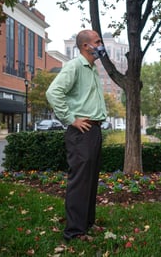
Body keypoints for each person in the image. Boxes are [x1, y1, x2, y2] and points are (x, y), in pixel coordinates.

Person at [46, 29, 107, 242]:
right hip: (81, 131)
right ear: (85, 46)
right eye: (97, 42)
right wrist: (71, 119)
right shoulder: (74, 66)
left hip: (94, 130)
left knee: (90, 181)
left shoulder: (91, 69)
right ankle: (74, 231)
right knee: (80, 181)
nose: (101, 45)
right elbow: (53, 93)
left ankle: (86, 224)